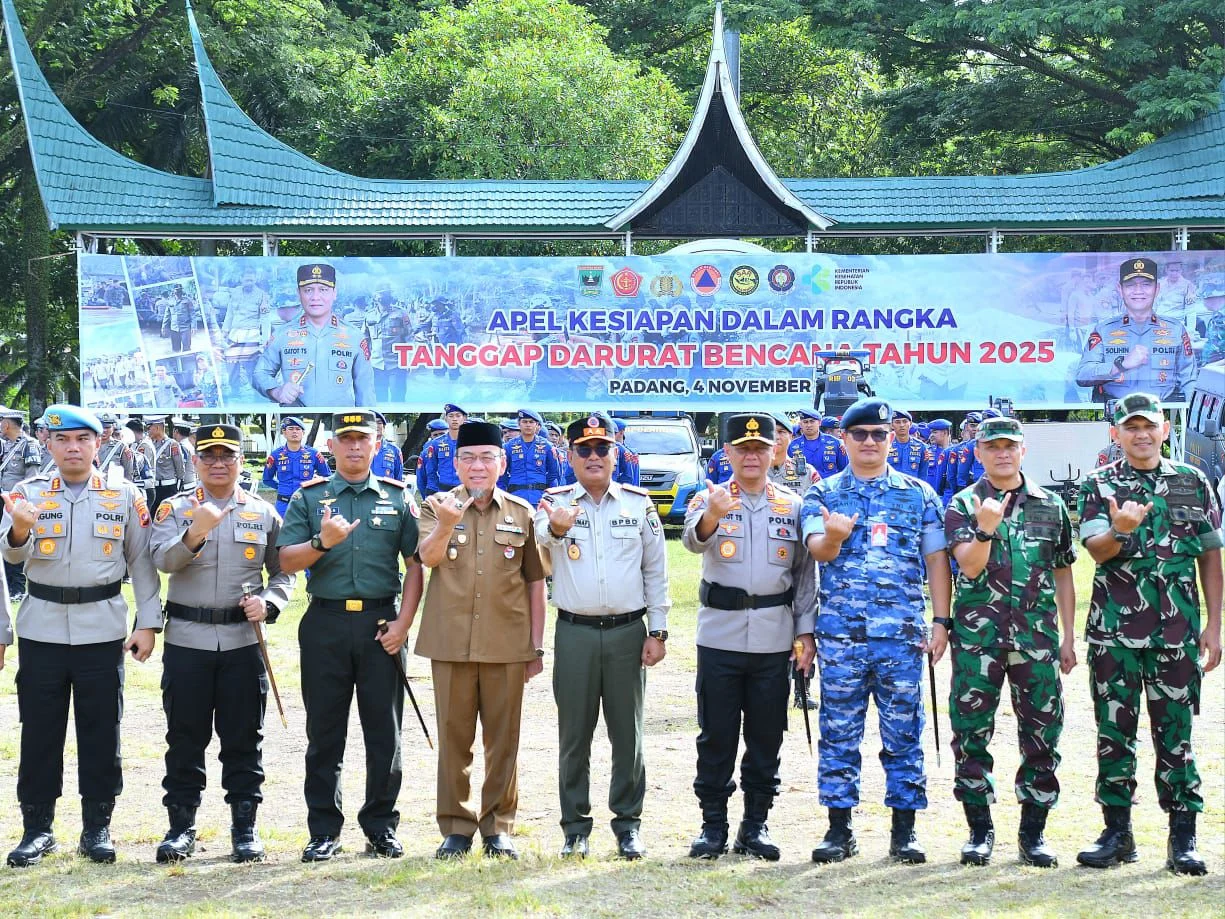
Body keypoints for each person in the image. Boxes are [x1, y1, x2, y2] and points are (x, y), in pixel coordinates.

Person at [0, 404, 161, 867]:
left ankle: (97, 828)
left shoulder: (124, 494)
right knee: (39, 731)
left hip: (102, 628)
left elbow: (141, 561)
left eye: (83, 439)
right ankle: (37, 829)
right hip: (42, 627)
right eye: (63, 439)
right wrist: (20, 529)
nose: (73, 448)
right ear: (48, 443)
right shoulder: (26, 493)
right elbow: (11, 558)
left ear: (99, 442)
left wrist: (148, 623)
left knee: (101, 730)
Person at [1075, 392, 1221, 875]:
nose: (1141, 434)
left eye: (1149, 425)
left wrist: (1214, 625)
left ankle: (1183, 838)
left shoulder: (1193, 481)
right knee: (1114, 735)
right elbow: (1097, 552)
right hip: (1113, 637)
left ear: (1164, 429)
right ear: (1115, 433)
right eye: (1131, 426)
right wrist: (1120, 529)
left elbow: (1210, 556)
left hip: (1177, 635)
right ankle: (1117, 834)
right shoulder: (1099, 484)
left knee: (1176, 735)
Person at [801, 398, 951, 865]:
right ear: (844, 439)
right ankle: (839, 829)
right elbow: (818, 551)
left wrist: (941, 621)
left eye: (879, 434)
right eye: (860, 434)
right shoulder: (822, 495)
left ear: (891, 440)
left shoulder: (919, 495)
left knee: (904, 732)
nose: (870, 442)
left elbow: (936, 560)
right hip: (841, 637)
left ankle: (904, 831)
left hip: (901, 637)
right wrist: (835, 536)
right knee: (839, 731)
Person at [277, 410, 423, 862]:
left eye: (363, 439)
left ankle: (381, 826)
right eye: (346, 439)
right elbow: (286, 562)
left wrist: (403, 625)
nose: (355, 446)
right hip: (325, 623)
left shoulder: (398, 497)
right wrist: (321, 542)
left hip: (382, 626)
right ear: (332, 447)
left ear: (377, 445)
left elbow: (416, 565)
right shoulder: (309, 497)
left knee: (385, 733)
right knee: (324, 732)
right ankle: (324, 830)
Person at [150, 424, 295, 864]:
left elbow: (284, 571)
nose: (218, 463)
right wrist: (195, 533)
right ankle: (181, 827)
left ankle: (244, 828)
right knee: (185, 737)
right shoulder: (175, 509)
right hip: (188, 640)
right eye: (209, 456)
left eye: (227, 455)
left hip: (242, 642)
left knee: (244, 737)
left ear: (240, 461)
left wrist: (269, 602)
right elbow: (161, 560)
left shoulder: (262, 512)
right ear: (195, 461)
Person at [944, 416, 1078, 867]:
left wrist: (1069, 636)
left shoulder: (1050, 505)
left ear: (1023, 451)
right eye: (993, 446)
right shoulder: (964, 503)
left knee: (1042, 733)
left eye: (1010, 446)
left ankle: (1033, 833)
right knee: (970, 733)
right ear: (978, 452)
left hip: (1036, 639)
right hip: (977, 641)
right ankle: (979, 830)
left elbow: (1063, 571)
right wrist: (985, 527)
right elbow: (969, 566)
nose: (1002, 453)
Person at [534, 414, 670, 860]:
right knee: (574, 735)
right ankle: (575, 828)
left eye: (602, 448)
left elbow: (656, 570)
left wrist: (658, 630)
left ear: (616, 455)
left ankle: (628, 825)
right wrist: (557, 526)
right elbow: (539, 544)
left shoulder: (638, 504)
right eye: (584, 449)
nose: (594, 457)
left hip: (628, 632)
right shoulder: (554, 503)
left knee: (627, 734)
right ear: (570, 456)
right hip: (575, 632)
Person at [682, 413, 816, 862]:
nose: (752, 456)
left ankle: (755, 825)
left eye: (760, 448)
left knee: (766, 736)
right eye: (743, 448)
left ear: (775, 451)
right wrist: (713, 515)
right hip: (719, 635)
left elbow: (804, 577)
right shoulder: (710, 497)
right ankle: (712, 826)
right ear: (728, 453)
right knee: (716, 735)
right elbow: (692, 542)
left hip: (774, 638)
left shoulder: (793, 505)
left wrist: (806, 633)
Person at [411, 420, 546, 860]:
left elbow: (535, 583)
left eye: (487, 457)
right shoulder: (435, 507)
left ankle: (498, 827)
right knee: (453, 738)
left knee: (504, 740)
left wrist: (536, 646)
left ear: (502, 464)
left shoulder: (521, 513)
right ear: (456, 464)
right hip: (451, 642)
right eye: (468, 458)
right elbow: (428, 558)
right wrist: (446, 524)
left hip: (506, 643)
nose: (477, 466)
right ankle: (455, 826)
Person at [253, 263, 375, 407]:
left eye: (323, 290)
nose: (315, 297)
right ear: (299, 293)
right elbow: (260, 373)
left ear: (334, 293)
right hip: (296, 419)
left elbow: (366, 392)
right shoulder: (282, 335)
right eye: (308, 290)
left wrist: (369, 420)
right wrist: (277, 391)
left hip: (339, 419)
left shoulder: (354, 337)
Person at [1076, 257, 1197, 402]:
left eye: (1146, 284)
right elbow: (1082, 376)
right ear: (1120, 289)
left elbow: (1190, 381)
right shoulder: (1104, 330)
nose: (1138, 291)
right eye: (1130, 285)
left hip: (1162, 411)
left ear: (1157, 289)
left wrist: (1192, 414)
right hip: (1116, 411)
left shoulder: (1175, 330)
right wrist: (1121, 365)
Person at [0, 407, 44, 603]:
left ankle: (17, 588)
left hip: (17, 503)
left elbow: (32, 478)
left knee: (15, 541)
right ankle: (7, 586)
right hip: (3, 499)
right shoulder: (5, 445)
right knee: (3, 542)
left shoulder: (29, 445)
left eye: (1, 422)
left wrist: (24, 505)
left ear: (7, 424)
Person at [262, 416, 331, 517]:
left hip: (307, 503)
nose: (294, 432)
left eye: (298, 429)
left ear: (303, 433)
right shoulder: (275, 455)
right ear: (284, 432)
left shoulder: (314, 454)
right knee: (281, 527)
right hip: (283, 505)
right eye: (291, 429)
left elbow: (327, 476)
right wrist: (281, 487)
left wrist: (313, 487)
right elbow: (267, 479)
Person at [220, 269, 271, 392]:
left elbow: (265, 319)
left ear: (255, 280)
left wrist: (265, 339)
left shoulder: (262, 296)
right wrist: (225, 331)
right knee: (231, 365)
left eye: (251, 280)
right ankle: (235, 391)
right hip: (234, 335)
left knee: (251, 368)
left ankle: (256, 393)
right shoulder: (235, 293)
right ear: (241, 279)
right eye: (247, 280)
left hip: (251, 335)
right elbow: (230, 313)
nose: (249, 282)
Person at [500, 409, 563, 508]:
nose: (528, 425)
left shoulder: (547, 446)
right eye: (524, 422)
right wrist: (508, 489)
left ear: (537, 425)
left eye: (531, 422)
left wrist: (549, 494)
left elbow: (554, 473)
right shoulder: (508, 446)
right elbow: (502, 473)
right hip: (515, 496)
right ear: (519, 424)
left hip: (539, 497)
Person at [418, 404, 466, 498]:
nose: (454, 419)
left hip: (465, 490)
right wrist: (435, 492)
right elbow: (431, 470)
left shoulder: (471, 442)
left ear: (464, 418)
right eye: (451, 416)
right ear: (446, 419)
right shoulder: (436, 443)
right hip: (443, 490)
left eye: (458, 416)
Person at [147, 415, 188, 509]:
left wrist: (178, 488)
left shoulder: (172, 444)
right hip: (154, 488)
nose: (148, 431)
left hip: (168, 488)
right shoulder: (150, 444)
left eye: (149, 428)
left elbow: (180, 468)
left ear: (157, 428)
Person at [789, 410, 846, 478]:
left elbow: (844, 470)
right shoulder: (792, 446)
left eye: (812, 421)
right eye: (805, 422)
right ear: (800, 424)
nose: (809, 425)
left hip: (829, 484)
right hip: (805, 484)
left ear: (819, 423)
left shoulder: (835, 443)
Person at [887, 409, 929, 480]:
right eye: (897, 422)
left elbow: (923, 474)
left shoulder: (921, 447)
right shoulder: (886, 445)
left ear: (910, 424)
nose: (902, 425)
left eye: (905, 421)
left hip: (912, 486)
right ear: (892, 425)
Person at [95, 414, 137, 484]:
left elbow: (128, 473)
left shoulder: (121, 447)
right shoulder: (89, 445)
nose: (104, 430)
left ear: (113, 428)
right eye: (101, 427)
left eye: (108, 427)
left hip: (114, 487)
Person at [370, 412, 405, 481]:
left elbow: (398, 478)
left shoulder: (394, 450)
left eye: (379, 423)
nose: (376, 426)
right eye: (373, 423)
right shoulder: (360, 448)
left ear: (384, 427)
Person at [161, 284, 196, 353]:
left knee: (187, 348)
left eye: (180, 290)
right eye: (176, 290)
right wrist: (163, 327)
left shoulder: (187, 301)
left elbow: (192, 314)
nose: (178, 292)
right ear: (173, 291)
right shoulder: (170, 301)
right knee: (176, 349)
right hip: (174, 328)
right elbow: (166, 316)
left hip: (185, 328)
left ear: (182, 291)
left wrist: (193, 326)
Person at [172, 419, 198, 488]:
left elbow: (180, 466)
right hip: (191, 482)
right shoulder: (189, 445)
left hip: (185, 485)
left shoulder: (182, 446)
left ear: (176, 431)